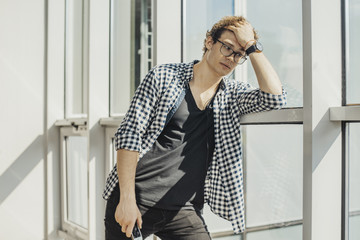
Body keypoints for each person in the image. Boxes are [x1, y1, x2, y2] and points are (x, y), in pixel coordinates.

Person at [103, 16, 286, 240]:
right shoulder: (164, 76)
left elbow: (274, 98)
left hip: (184, 210)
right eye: (227, 47)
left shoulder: (233, 94)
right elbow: (129, 135)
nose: (231, 58)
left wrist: (252, 47)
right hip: (137, 198)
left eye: (239, 54)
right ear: (210, 41)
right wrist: (127, 200)